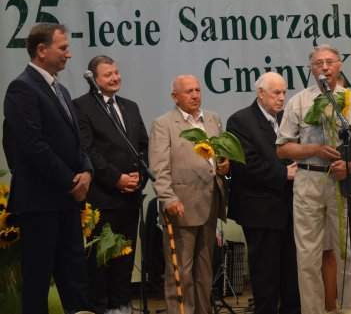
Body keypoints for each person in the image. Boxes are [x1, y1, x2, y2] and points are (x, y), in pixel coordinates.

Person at [277, 44, 351, 314]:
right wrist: (314, 149)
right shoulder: (299, 102)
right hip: (308, 181)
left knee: (350, 251)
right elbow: (282, 148)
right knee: (308, 255)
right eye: (318, 63)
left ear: (339, 65)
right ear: (311, 69)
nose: (324, 67)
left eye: (330, 62)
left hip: (344, 182)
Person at [2, 23, 93, 314]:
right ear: (42, 50)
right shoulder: (22, 88)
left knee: (74, 278)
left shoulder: (61, 90)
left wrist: (87, 171)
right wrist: (71, 181)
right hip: (40, 202)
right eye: (63, 47)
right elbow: (33, 146)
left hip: (67, 202)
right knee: (38, 280)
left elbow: (76, 142)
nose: (69, 54)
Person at [73, 55, 149, 314]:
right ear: (94, 80)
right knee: (100, 262)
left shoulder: (130, 106)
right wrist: (117, 179)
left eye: (116, 72)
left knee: (124, 261)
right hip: (102, 199)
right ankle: (101, 308)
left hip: (130, 198)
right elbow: (88, 150)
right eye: (108, 75)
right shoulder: (81, 107)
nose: (115, 78)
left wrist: (139, 177)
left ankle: (122, 306)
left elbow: (143, 146)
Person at [150, 75, 230, 314]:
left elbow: (219, 157)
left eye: (197, 90)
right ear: (175, 97)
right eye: (188, 91)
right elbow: (159, 168)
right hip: (181, 207)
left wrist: (224, 165)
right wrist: (168, 198)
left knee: (205, 271)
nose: (195, 95)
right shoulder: (164, 124)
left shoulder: (213, 119)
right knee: (181, 272)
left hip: (210, 203)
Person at [226, 72, 301, 314]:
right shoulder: (240, 121)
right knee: (265, 277)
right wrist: (283, 173)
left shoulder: (287, 118)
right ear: (260, 93)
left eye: (284, 92)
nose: (282, 98)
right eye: (276, 93)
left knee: (291, 275)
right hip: (260, 211)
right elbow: (244, 164)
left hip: (290, 208)